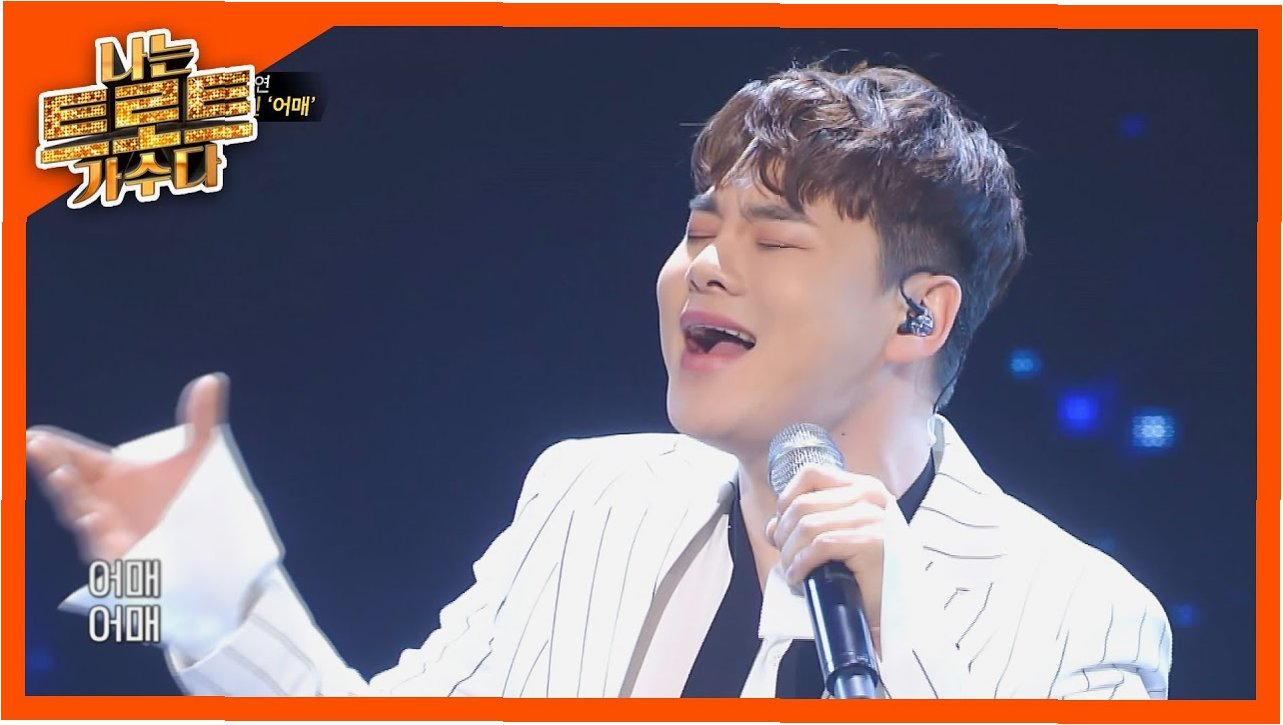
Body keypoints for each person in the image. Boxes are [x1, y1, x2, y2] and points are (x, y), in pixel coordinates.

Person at [27, 62, 1171, 698]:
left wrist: (900, 643)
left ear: (916, 313)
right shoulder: (586, 500)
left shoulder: (1081, 618)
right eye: (698, 230)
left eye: (772, 239)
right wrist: (186, 580)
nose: (704, 266)